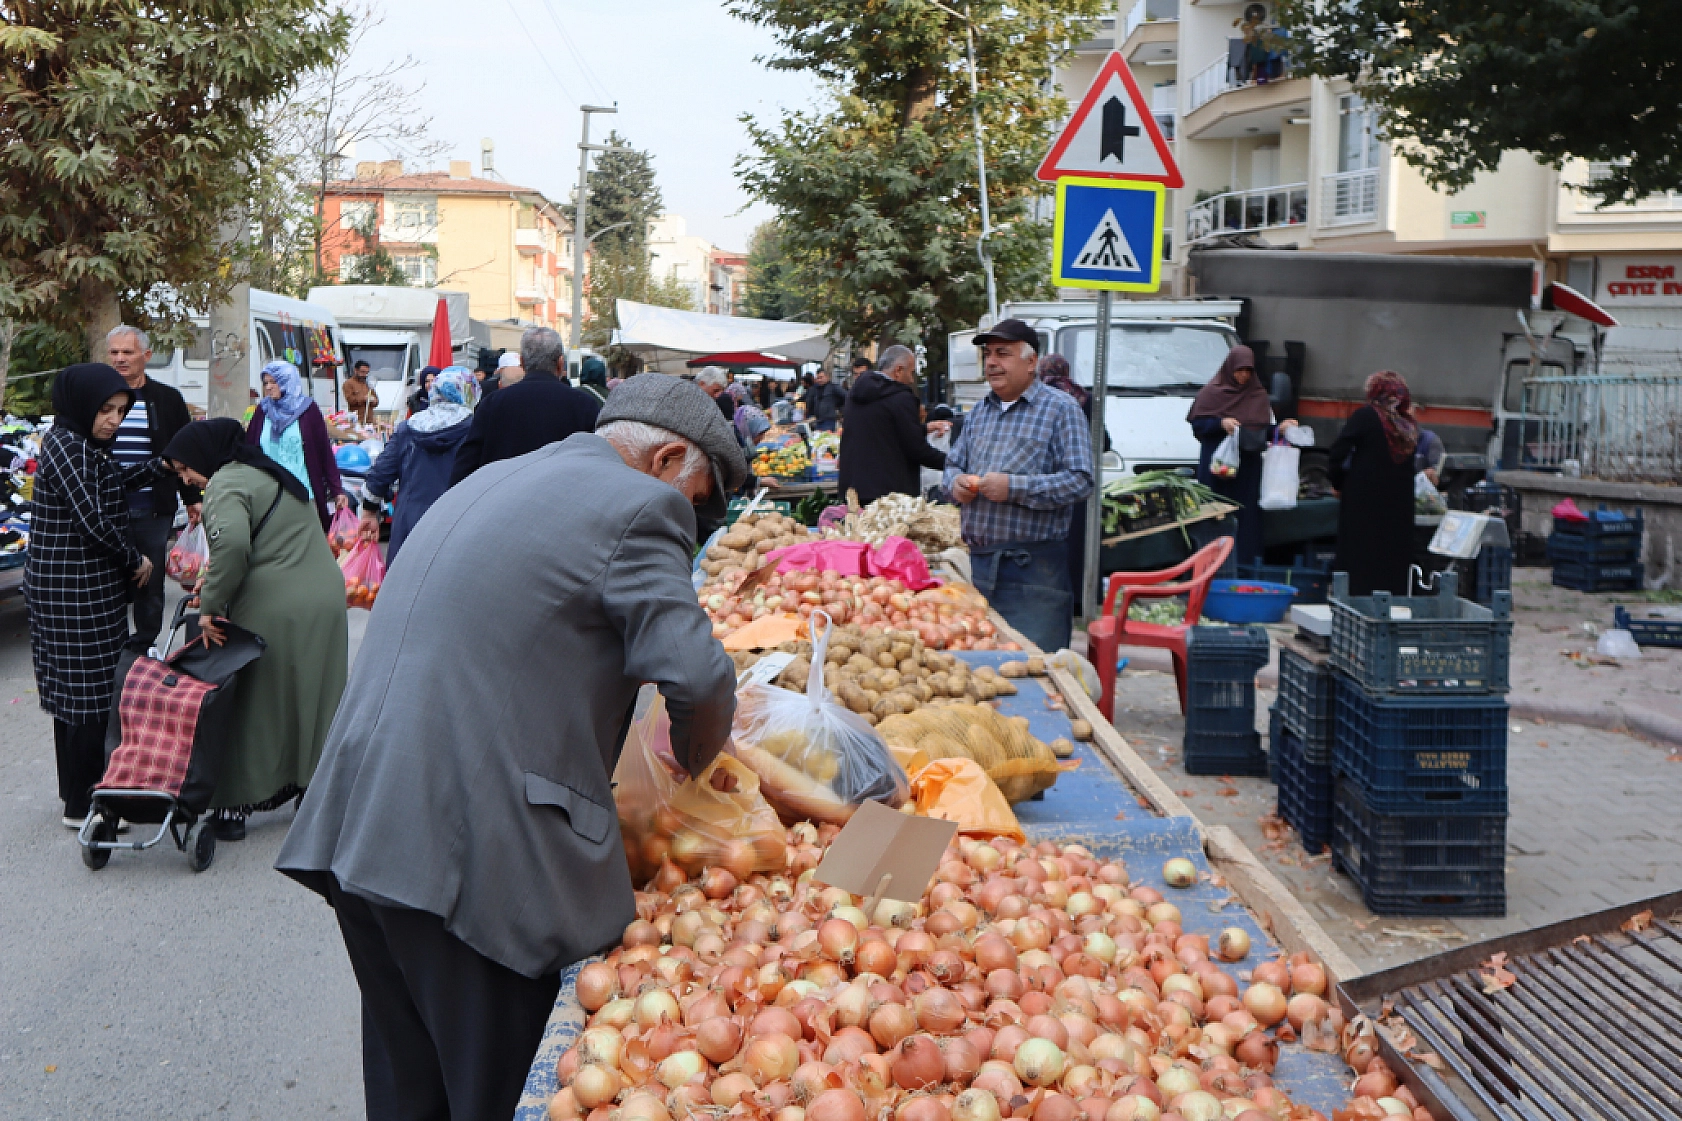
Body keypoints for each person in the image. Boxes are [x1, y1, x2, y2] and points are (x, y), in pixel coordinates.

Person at [275, 373, 746, 1121]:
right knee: (491, 1093)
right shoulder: (641, 505)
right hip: (472, 851)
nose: (687, 519)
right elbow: (695, 674)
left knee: (408, 1084)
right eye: (695, 499)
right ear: (665, 461)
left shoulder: (498, 476)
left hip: (361, 822)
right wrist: (697, 759)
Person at [162, 419, 348, 841]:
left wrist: (209, 608)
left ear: (203, 456)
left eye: (184, 468)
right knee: (313, 698)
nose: (185, 479)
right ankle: (314, 790)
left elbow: (232, 547)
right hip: (323, 598)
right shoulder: (267, 473)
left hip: (277, 603)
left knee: (253, 698)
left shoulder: (225, 483)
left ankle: (237, 802)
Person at [25, 365, 166, 827]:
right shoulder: (67, 445)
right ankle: (85, 803)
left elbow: (111, 484)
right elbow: (92, 519)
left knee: (77, 693)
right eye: (106, 410)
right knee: (88, 695)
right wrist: (135, 560)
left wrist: (160, 466)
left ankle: (76, 797)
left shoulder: (86, 446)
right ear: (82, 404)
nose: (113, 420)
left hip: (86, 587)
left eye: (121, 412)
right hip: (72, 588)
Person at [943, 320, 1093, 653]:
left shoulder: (1061, 409)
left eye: (1002, 354)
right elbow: (952, 465)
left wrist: (1014, 488)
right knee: (983, 670)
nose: (992, 362)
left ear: (1031, 362)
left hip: (1033, 572)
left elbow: (1081, 481)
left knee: (1036, 670)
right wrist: (957, 484)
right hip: (979, 567)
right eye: (987, 354)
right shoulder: (979, 412)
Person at [104, 325, 199, 650]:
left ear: (145, 356)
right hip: (105, 509)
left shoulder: (166, 399)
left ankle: (145, 643)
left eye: (127, 352)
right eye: (114, 352)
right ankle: (111, 645)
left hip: (152, 508)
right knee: (108, 578)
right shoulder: (98, 398)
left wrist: (192, 499)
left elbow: (183, 451)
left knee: (149, 580)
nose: (120, 359)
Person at [359, 368, 481, 569]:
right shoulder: (475, 428)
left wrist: (370, 512)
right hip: (458, 522)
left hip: (411, 520)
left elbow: (381, 472)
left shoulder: (409, 427)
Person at [1187, 345, 1297, 567]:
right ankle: (1211, 565)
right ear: (1229, 368)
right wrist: (1220, 423)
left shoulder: (1257, 395)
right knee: (1214, 515)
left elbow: (1261, 431)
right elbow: (1198, 425)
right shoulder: (1211, 393)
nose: (1243, 375)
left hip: (1247, 468)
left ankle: (1245, 565)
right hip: (1218, 468)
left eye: (1248, 371)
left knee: (1247, 519)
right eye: (1239, 370)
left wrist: (1281, 429)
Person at [449, 327, 600, 485]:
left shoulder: (493, 403)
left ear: (522, 362)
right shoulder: (583, 405)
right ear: (561, 363)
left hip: (503, 500)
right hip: (566, 500)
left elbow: (466, 465)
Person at [1329, 372, 1419, 596]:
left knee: (1359, 553)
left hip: (1363, 498)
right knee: (1391, 554)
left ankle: (1355, 601)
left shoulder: (1366, 416)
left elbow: (1338, 452)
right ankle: (1390, 602)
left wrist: (1338, 482)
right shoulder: (1407, 425)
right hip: (1399, 502)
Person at [837, 344, 947, 506]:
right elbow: (916, 449)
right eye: (910, 373)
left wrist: (924, 428)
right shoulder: (901, 398)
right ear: (898, 370)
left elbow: (882, 431)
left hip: (854, 491)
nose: (911, 379)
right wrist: (952, 463)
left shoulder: (855, 393)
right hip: (889, 498)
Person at [245, 360, 349, 530]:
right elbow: (249, 451)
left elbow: (324, 453)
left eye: (274, 381)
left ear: (288, 381)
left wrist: (337, 490)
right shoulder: (262, 411)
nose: (269, 387)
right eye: (266, 383)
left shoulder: (308, 410)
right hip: (268, 499)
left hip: (304, 497)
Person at [803, 366, 847, 432]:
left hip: (828, 421)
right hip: (818, 421)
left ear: (827, 377)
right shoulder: (816, 389)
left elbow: (847, 396)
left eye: (821, 377)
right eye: (817, 378)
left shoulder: (834, 387)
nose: (819, 380)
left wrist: (842, 412)